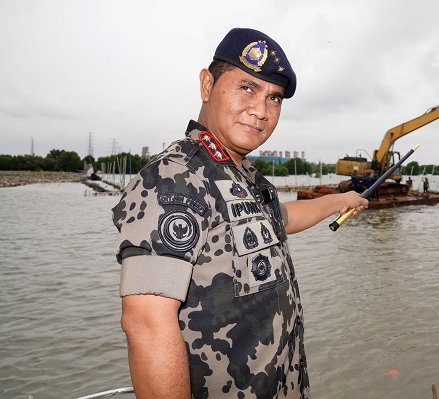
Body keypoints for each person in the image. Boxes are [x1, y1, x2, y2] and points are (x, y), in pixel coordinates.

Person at [112, 27, 368, 399]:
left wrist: (341, 200)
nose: (261, 111)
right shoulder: (174, 178)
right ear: (206, 85)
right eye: (246, 88)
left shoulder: (242, 174)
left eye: (274, 98)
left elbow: (284, 219)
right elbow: (147, 324)